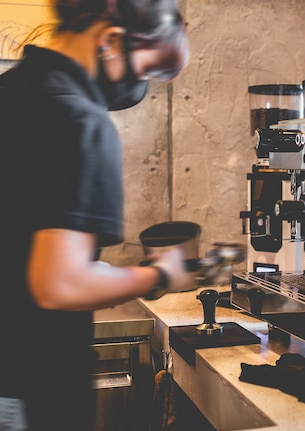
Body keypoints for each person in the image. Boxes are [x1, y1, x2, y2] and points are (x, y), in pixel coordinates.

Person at [0, 0, 193, 429]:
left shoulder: (10, 92)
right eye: (144, 70)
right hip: (26, 393)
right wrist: (158, 274)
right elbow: (59, 285)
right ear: (110, 40)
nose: (139, 85)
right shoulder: (78, 120)